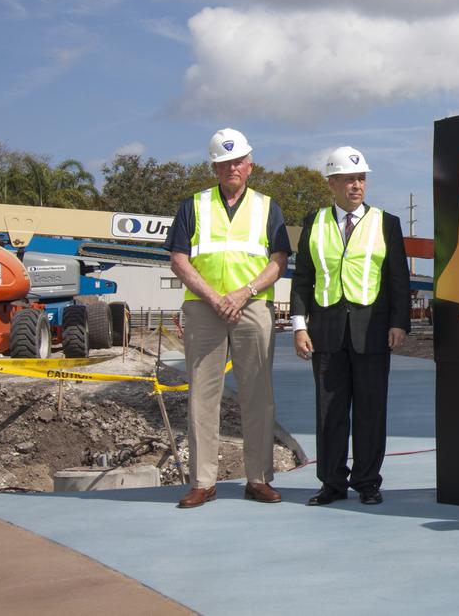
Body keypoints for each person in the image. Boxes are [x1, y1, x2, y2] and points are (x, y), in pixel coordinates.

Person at [165, 128, 291, 509]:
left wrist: (243, 293)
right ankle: (203, 481)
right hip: (205, 309)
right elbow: (178, 258)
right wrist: (214, 297)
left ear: (250, 166)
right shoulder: (193, 205)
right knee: (202, 397)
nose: (232, 168)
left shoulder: (268, 207)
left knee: (258, 395)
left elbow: (279, 261)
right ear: (215, 167)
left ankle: (258, 479)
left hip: (251, 306)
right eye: (224, 162)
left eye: (238, 161)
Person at [290, 146, 410, 507]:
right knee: (329, 411)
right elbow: (303, 278)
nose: (356, 186)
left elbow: (398, 279)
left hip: (372, 329)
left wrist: (399, 323)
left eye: (361, 179)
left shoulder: (386, 222)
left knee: (371, 409)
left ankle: (368, 482)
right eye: (348, 179)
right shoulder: (315, 222)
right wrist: (299, 325)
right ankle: (332, 482)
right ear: (332, 183)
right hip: (325, 330)